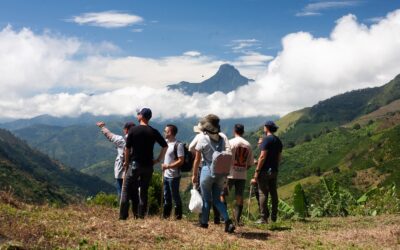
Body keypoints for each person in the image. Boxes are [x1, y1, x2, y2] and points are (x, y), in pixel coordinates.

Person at [120, 108, 168, 220]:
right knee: (144, 191)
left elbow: (127, 149)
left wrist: (127, 162)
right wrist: (158, 160)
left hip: (135, 164)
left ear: (141, 116)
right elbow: (165, 146)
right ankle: (141, 216)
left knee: (126, 189)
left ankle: (123, 216)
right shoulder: (153, 131)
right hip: (148, 166)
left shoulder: (133, 130)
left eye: (139, 114)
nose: (137, 116)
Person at [191, 114, 235, 233]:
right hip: (220, 172)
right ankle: (228, 221)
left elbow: (197, 159)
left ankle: (204, 223)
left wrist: (194, 175)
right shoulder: (221, 138)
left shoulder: (202, 139)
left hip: (206, 171)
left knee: (206, 199)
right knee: (217, 200)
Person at [251, 121, 283, 224]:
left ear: (267, 128)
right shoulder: (278, 141)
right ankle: (274, 216)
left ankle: (263, 218)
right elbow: (279, 158)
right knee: (274, 193)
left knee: (263, 193)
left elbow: (262, 156)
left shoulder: (266, 140)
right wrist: (275, 168)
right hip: (274, 170)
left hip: (264, 171)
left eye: (264, 127)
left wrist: (257, 172)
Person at [189, 123, 221, 224]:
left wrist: (198, 153)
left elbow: (190, 147)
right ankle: (217, 218)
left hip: (203, 166)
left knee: (204, 193)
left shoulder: (199, 136)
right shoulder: (218, 136)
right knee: (215, 193)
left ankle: (203, 219)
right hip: (217, 167)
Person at [224, 124, 254, 225]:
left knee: (222, 194)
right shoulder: (248, 145)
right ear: (243, 131)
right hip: (242, 175)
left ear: (234, 131)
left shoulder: (230, 142)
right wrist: (243, 169)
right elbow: (250, 163)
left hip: (229, 174)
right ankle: (237, 219)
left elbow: (225, 158)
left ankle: (224, 217)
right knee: (239, 196)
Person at [96, 121, 135, 199]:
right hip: (134, 169)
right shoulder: (138, 141)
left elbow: (109, 135)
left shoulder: (121, 140)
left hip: (121, 169)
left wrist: (102, 127)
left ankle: (122, 208)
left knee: (121, 190)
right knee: (132, 191)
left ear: (126, 130)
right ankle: (133, 209)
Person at [161, 124, 184, 219]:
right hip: (166, 174)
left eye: (165, 131)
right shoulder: (166, 143)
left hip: (174, 176)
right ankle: (166, 216)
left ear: (170, 132)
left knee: (175, 196)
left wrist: (168, 166)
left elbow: (181, 160)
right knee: (166, 195)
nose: (164, 132)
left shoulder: (178, 145)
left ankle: (178, 217)